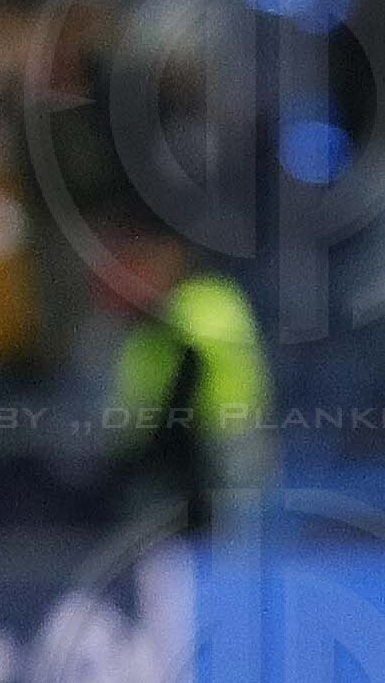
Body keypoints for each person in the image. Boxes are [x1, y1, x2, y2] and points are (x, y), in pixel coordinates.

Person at [101, 217, 271, 538]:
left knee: (235, 528)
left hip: (223, 436)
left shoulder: (199, 303)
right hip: (198, 445)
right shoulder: (149, 326)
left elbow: (191, 370)